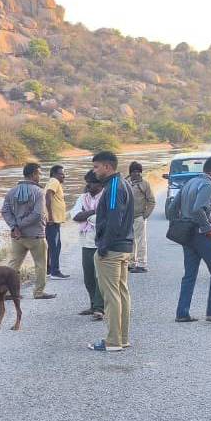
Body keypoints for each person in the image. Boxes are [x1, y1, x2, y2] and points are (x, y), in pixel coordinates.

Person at [175, 155, 211, 324]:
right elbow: (198, 209)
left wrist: (179, 224)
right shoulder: (207, 184)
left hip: (187, 234)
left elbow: (172, 208)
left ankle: (182, 313)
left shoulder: (190, 182)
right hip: (201, 234)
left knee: (189, 275)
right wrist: (209, 230)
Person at [88, 151, 135, 352]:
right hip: (124, 247)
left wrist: (103, 246)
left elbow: (115, 217)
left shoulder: (115, 186)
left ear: (108, 167)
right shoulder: (123, 184)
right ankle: (122, 338)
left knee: (111, 296)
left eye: (96, 167)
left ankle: (113, 341)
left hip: (113, 249)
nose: (94, 171)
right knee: (122, 293)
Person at [2, 163, 56, 300]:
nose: (40, 176)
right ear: (33, 174)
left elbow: (5, 211)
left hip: (17, 236)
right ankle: (38, 292)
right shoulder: (38, 192)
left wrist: (15, 227)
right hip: (36, 235)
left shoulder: (11, 192)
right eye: (39, 173)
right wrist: (19, 225)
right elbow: (38, 214)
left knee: (13, 264)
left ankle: (8, 292)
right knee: (40, 265)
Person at [70, 171, 106, 321]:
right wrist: (93, 212)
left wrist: (87, 215)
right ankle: (93, 304)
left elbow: (103, 219)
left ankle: (99, 308)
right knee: (89, 277)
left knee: (101, 276)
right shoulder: (83, 197)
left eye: (90, 183)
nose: (88, 186)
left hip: (102, 241)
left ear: (99, 184)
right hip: (86, 242)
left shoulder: (106, 196)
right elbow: (75, 216)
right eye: (87, 183)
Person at [127, 162, 156, 273]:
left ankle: (141, 264)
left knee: (140, 241)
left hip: (139, 217)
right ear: (130, 173)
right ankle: (131, 263)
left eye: (139, 171)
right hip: (127, 218)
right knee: (130, 241)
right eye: (134, 171)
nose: (137, 173)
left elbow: (152, 201)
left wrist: (145, 215)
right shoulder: (126, 183)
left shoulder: (145, 184)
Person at [44, 165, 69, 279]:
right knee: (55, 246)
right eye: (61, 173)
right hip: (52, 221)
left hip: (54, 220)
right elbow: (48, 195)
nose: (64, 175)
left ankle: (49, 270)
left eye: (64, 173)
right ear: (54, 174)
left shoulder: (54, 182)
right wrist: (50, 216)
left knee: (53, 245)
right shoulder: (54, 181)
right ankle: (55, 271)